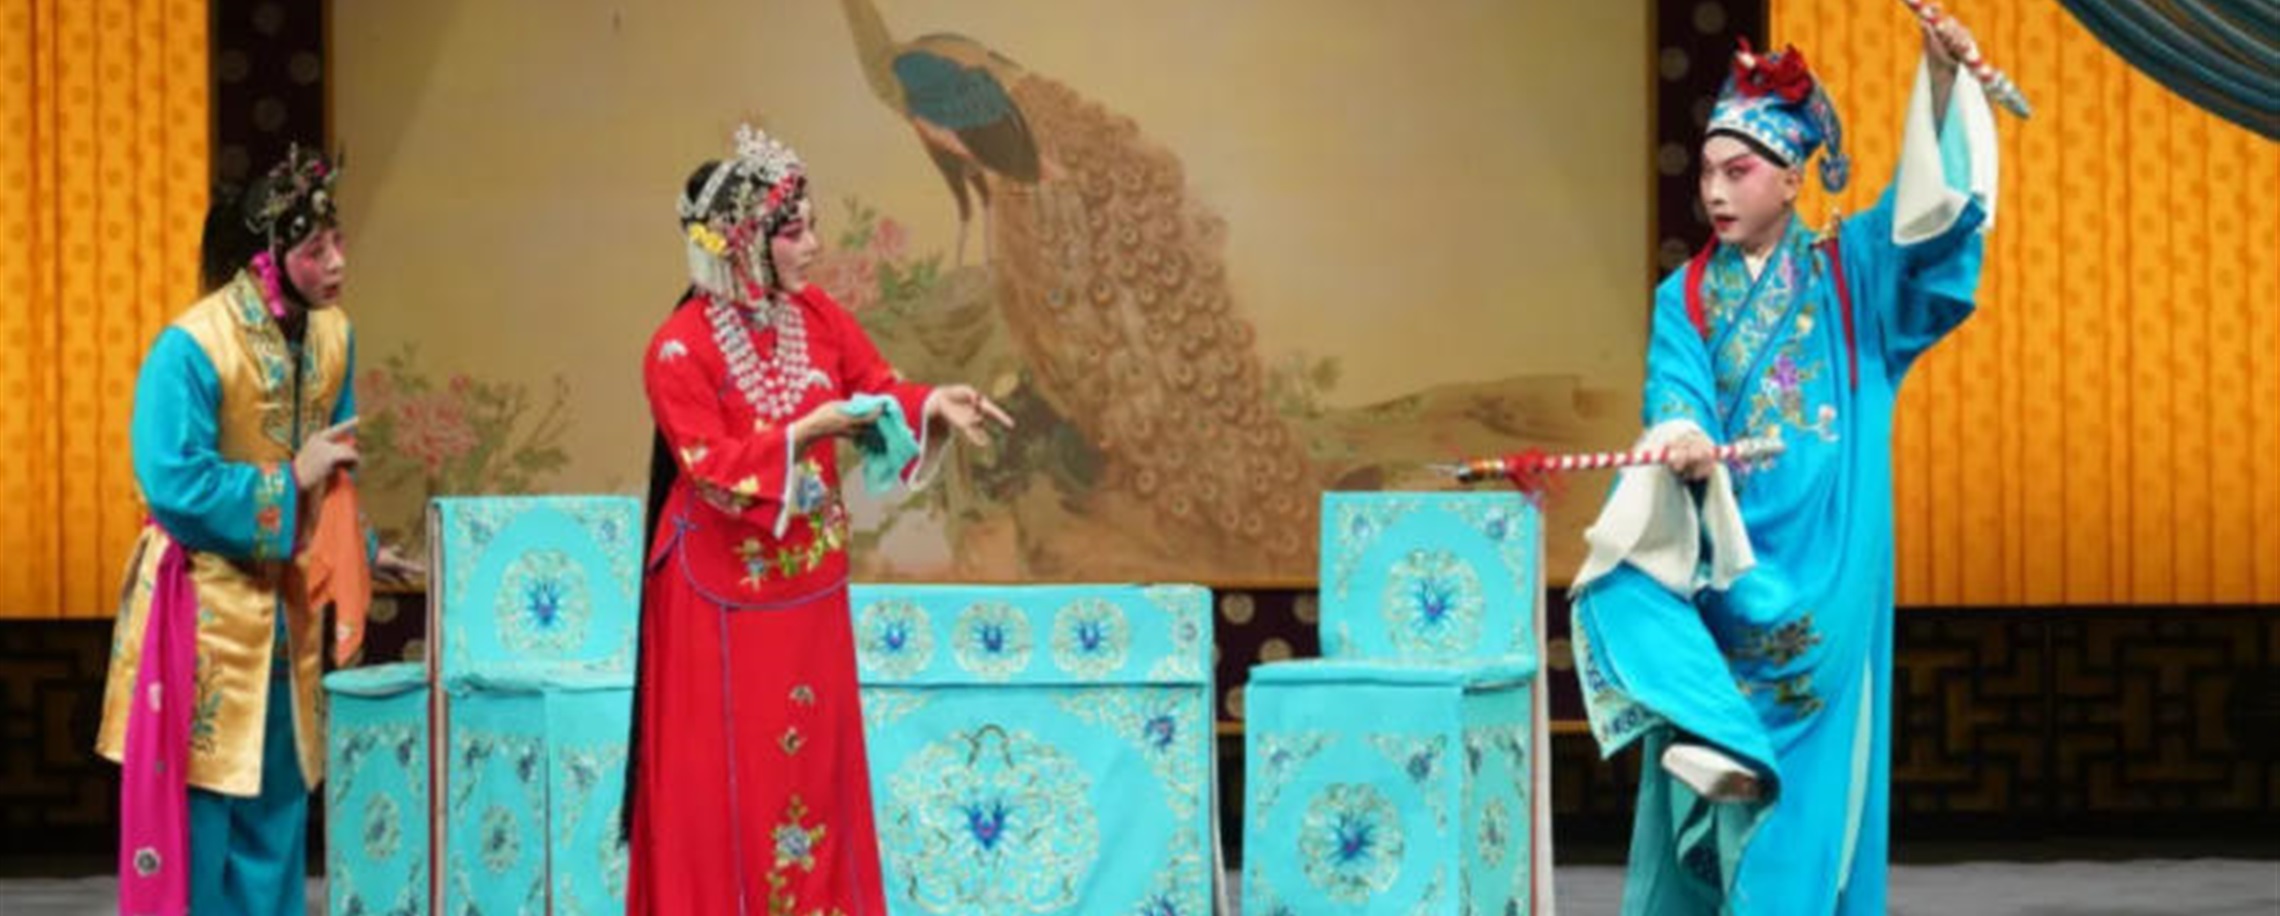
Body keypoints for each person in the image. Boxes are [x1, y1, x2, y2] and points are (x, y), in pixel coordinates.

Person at [1569, 18, 1998, 914]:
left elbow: (1927, 219)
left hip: (1830, 568)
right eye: (1707, 173)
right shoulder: (1686, 294)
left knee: (1806, 794)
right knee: (1641, 599)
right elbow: (1676, 388)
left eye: (1739, 172)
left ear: (1795, 176)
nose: (1715, 192)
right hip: (1730, 570)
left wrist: (1939, 84)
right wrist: (1682, 435)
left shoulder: (1852, 274)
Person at [623, 124, 1013, 914]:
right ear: (743, 242)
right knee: (728, 783)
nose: (814, 245)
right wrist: (806, 432)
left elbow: (875, 388)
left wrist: (931, 402)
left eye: (810, 227)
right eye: (794, 231)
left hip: (808, 589)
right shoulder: (677, 349)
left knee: (810, 774)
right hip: (716, 599)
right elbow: (710, 468)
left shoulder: (818, 316)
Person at [96, 144, 401, 914]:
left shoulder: (333, 337)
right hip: (200, 609)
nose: (337, 262)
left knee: (277, 805)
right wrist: (287, 480)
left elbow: (334, 479)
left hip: (285, 615)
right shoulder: (192, 346)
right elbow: (173, 484)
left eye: (338, 242)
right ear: (269, 256)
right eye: (315, 249)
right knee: (203, 814)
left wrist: (362, 550)